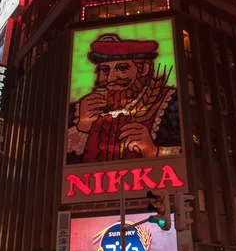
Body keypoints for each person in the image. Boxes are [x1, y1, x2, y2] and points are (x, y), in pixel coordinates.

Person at [67, 33, 181, 164]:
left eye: (121, 68)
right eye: (104, 70)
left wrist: (154, 151)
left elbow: (194, 152)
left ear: (144, 69)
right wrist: (82, 128)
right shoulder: (78, 110)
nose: (110, 78)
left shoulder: (170, 103)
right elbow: (55, 165)